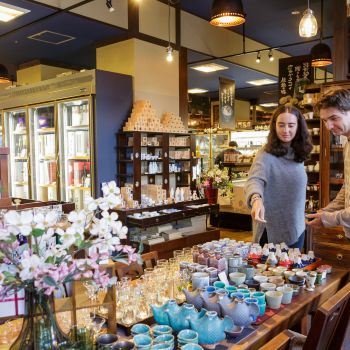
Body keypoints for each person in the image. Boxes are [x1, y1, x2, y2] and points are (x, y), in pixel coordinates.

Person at [244, 105, 313, 248]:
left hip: (296, 227)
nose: (286, 130)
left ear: (298, 127)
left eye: (291, 125)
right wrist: (256, 199)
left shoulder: (298, 153)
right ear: (274, 126)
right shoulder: (265, 154)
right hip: (272, 231)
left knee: (293, 270)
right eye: (281, 125)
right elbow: (255, 179)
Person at [306, 88, 350, 239]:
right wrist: (327, 211)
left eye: (334, 118)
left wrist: (327, 218)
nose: (328, 126)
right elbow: (348, 185)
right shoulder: (346, 141)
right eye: (325, 120)